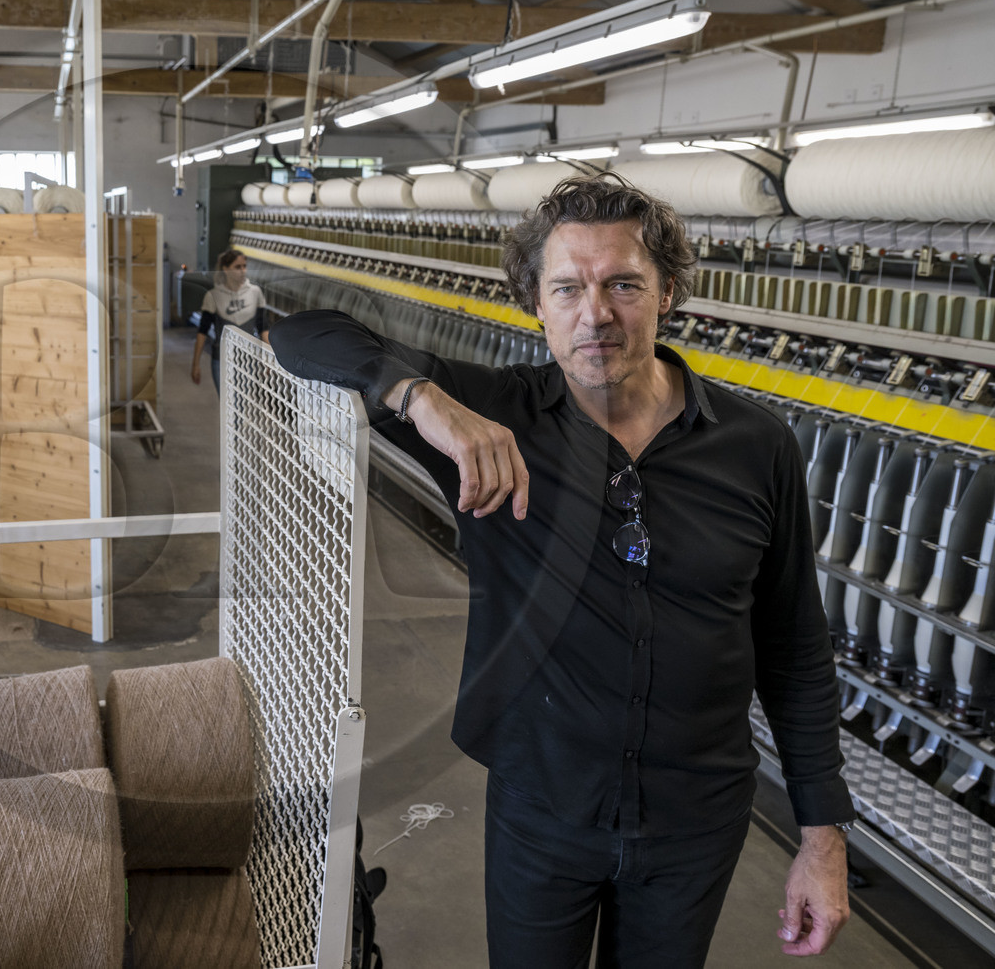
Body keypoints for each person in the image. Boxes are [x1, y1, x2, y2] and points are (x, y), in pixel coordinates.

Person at [270, 174, 853, 968]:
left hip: (698, 819)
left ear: (668, 291)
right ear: (535, 304)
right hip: (541, 811)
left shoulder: (758, 445)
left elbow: (794, 646)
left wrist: (822, 836)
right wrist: (419, 398)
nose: (596, 314)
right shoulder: (487, 414)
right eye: (568, 288)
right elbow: (301, 335)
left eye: (623, 284)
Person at [192, 248, 269, 388]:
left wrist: (269, 359)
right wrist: (196, 363)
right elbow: (202, 331)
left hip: (249, 361)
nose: (243, 270)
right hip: (222, 360)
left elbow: (263, 327)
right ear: (225, 269)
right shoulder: (213, 296)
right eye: (237, 267)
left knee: (244, 407)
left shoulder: (255, 292)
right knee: (225, 406)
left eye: (244, 266)